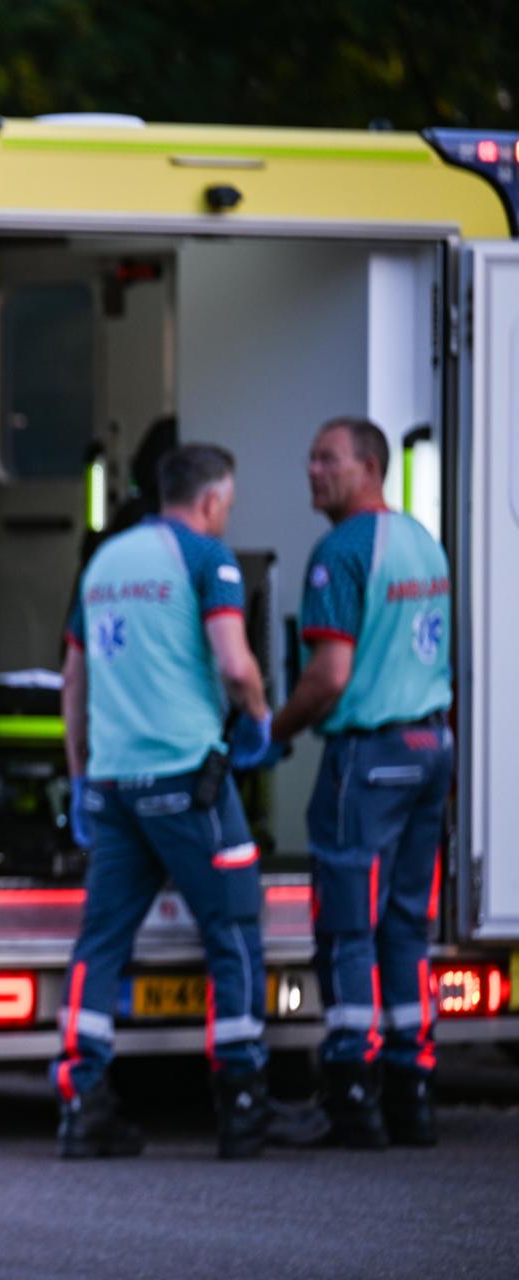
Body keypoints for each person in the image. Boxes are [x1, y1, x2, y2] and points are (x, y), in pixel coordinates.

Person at [57, 443, 301, 1159]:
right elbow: (235, 663)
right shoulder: (206, 558)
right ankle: (243, 1103)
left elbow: (74, 681)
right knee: (234, 928)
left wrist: (81, 775)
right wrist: (260, 721)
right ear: (213, 499)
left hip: (114, 785)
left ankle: (82, 1101)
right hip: (187, 779)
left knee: (101, 939)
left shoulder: (103, 564)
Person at [266, 416, 453, 1149]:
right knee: (406, 923)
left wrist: (274, 730)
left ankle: (351, 1094)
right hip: (430, 747)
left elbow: (330, 676)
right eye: (311, 458)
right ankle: (413, 1092)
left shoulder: (340, 551)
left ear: (370, 467)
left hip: (370, 757)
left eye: (328, 459)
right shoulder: (422, 542)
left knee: (348, 924)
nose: (313, 471)